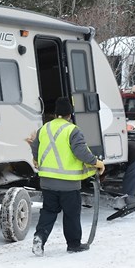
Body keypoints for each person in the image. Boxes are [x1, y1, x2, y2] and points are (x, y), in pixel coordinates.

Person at [30, 97, 104, 256]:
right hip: (68, 184)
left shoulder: (44, 128)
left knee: (49, 211)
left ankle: (39, 237)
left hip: (47, 181)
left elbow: (35, 147)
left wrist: (36, 159)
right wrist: (96, 162)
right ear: (70, 114)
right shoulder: (73, 130)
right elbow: (80, 152)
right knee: (71, 214)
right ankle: (74, 244)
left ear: (56, 114)